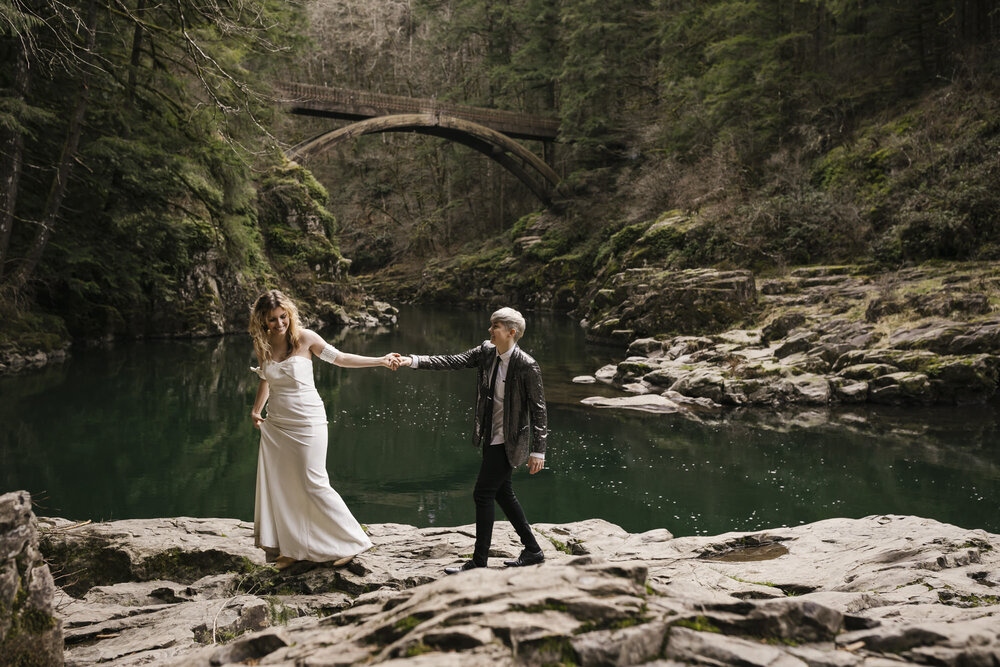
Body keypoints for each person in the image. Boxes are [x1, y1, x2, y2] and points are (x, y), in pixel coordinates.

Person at [248, 289, 398, 570]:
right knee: (283, 486)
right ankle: (292, 549)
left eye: (283, 317)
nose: (279, 323)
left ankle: (353, 541)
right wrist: (256, 409)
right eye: (272, 319)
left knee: (313, 482)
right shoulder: (263, 344)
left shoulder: (306, 338)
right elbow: (266, 379)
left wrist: (379, 360)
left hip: (308, 422)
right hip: (277, 424)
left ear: (289, 314)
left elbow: (340, 359)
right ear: (262, 321)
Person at [397, 307, 548, 573]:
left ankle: (479, 563)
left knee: (483, 493)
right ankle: (533, 549)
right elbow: (451, 361)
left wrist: (539, 451)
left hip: (509, 440)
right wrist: (413, 360)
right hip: (491, 435)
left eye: (495, 326)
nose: (490, 330)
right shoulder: (487, 352)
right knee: (503, 492)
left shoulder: (527, 365)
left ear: (512, 332)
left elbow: (539, 410)